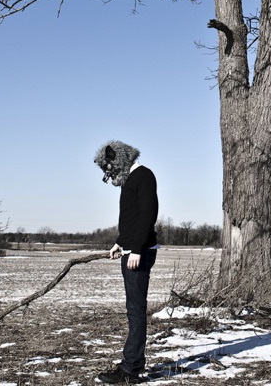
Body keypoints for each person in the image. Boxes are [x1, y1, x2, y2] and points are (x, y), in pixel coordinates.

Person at [94, 140, 159, 384]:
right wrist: (121, 242)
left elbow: (147, 214)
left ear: (118, 159)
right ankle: (132, 365)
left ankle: (130, 370)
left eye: (109, 168)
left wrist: (137, 250)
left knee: (135, 309)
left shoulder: (144, 176)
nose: (108, 174)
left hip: (138, 254)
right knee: (133, 309)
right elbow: (130, 218)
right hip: (130, 250)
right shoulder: (130, 180)